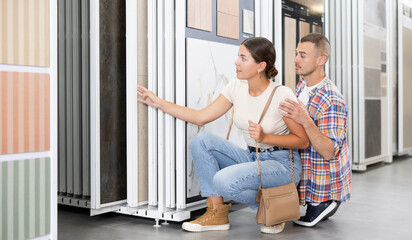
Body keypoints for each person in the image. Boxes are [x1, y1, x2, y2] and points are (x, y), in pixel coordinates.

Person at [137, 37, 309, 234]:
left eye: (243, 58)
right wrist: (158, 102)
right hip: (252, 157)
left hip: (281, 164)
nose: (236, 62)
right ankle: (217, 213)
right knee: (202, 141)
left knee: (223, 181)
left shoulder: (281, 94)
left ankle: (275, 208)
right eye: (238, 56)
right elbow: (201, 117)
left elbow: (302, 141)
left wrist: (266, 137)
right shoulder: (236, 87)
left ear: (261, 65)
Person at [279, 33, 352, 227]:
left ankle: (324, 201)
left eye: (303, 55)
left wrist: (305, 120)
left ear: (321, 60)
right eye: (296, 53)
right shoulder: (303, 84)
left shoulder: (332, 99)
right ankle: (316, 200)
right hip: (307, 170)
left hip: (323, 180)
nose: (295, 60)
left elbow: (329, 151)